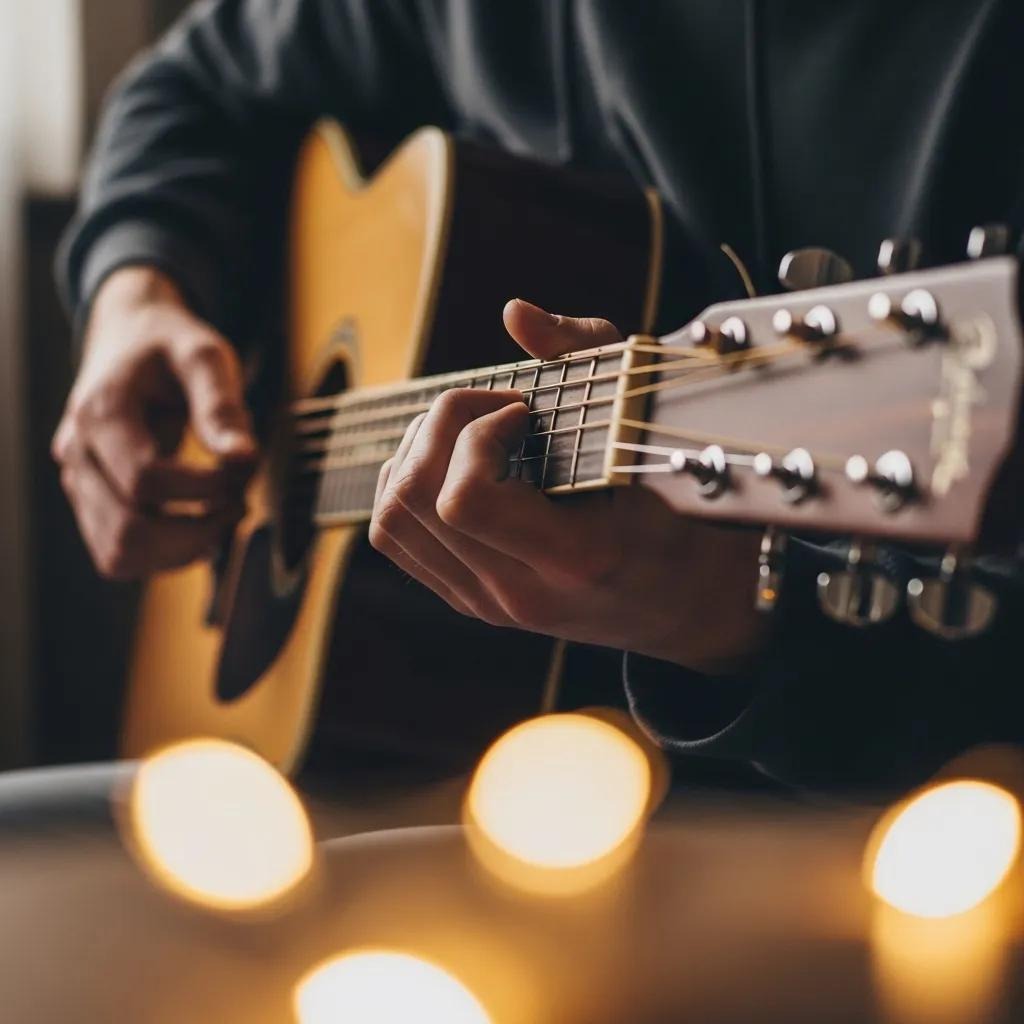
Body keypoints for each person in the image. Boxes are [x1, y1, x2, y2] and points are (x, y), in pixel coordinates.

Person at [50, 0, 1024, 793]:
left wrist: (731, 619)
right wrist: (135, 294)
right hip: (438, 782)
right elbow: (190, 86)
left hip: (841, 842)